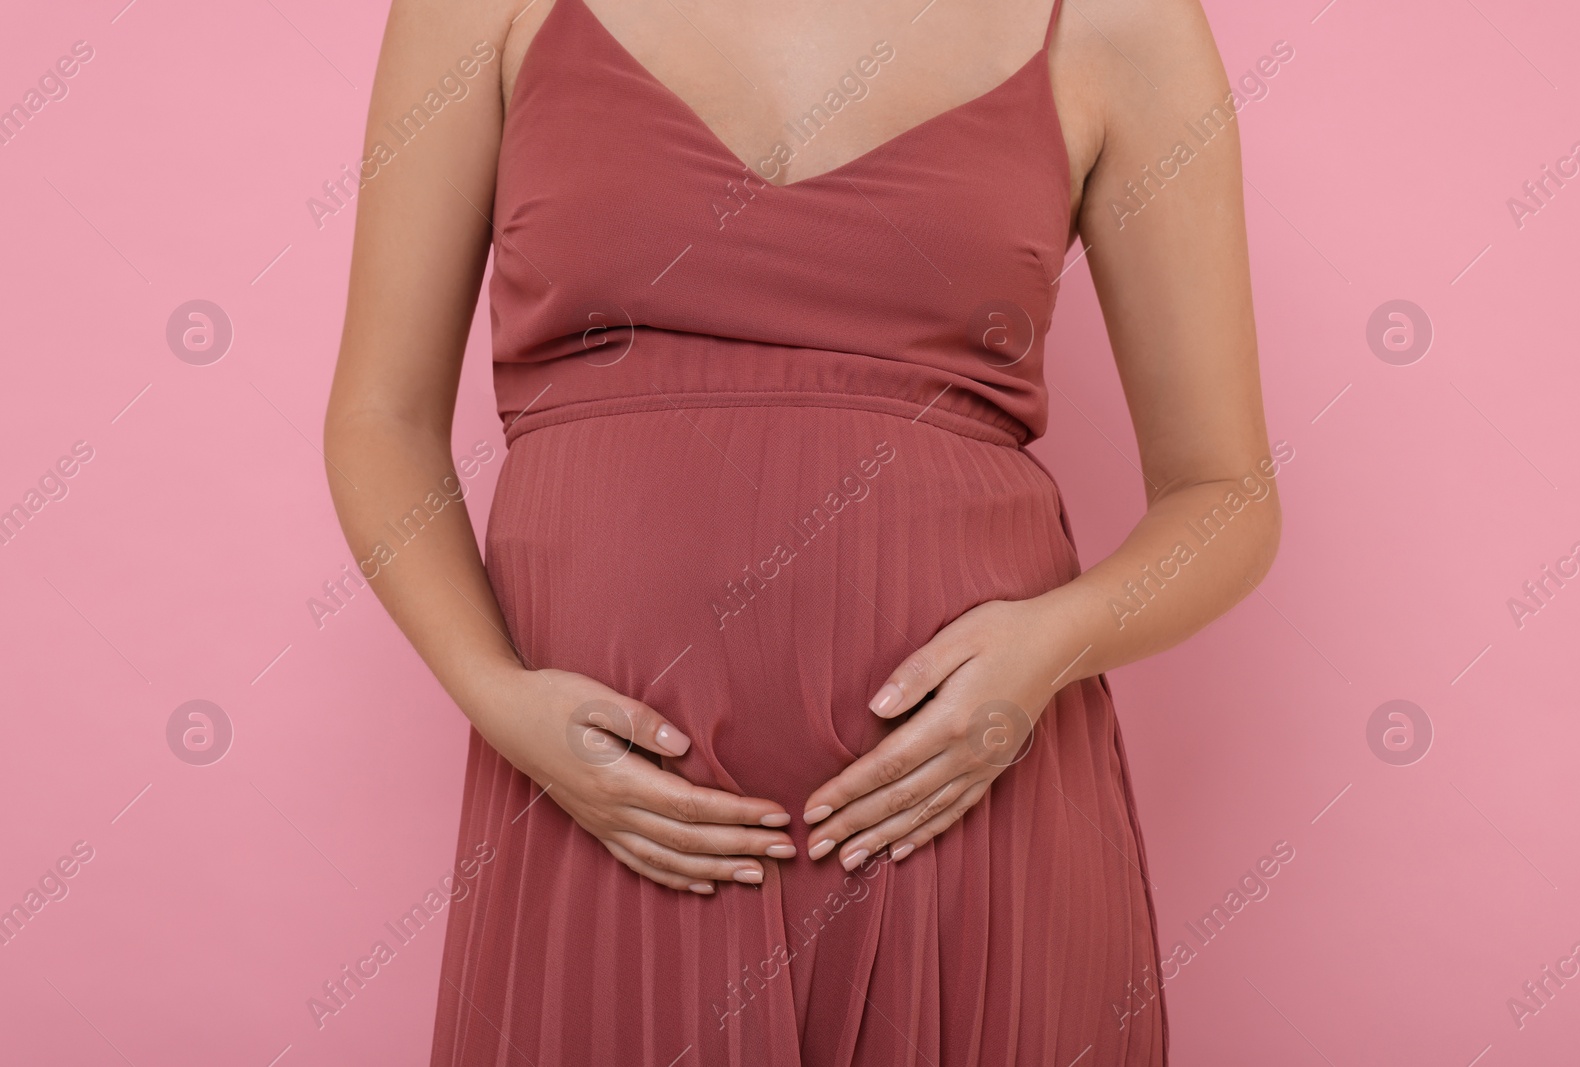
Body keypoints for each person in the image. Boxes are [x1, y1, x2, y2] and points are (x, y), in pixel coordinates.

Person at [323, 0, 1280, 1062]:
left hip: (960, 807)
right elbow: (382, 421)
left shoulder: (1117, 23)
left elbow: (1223, 493)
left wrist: (1050, 645)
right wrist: (497, 696)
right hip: (602, 807)